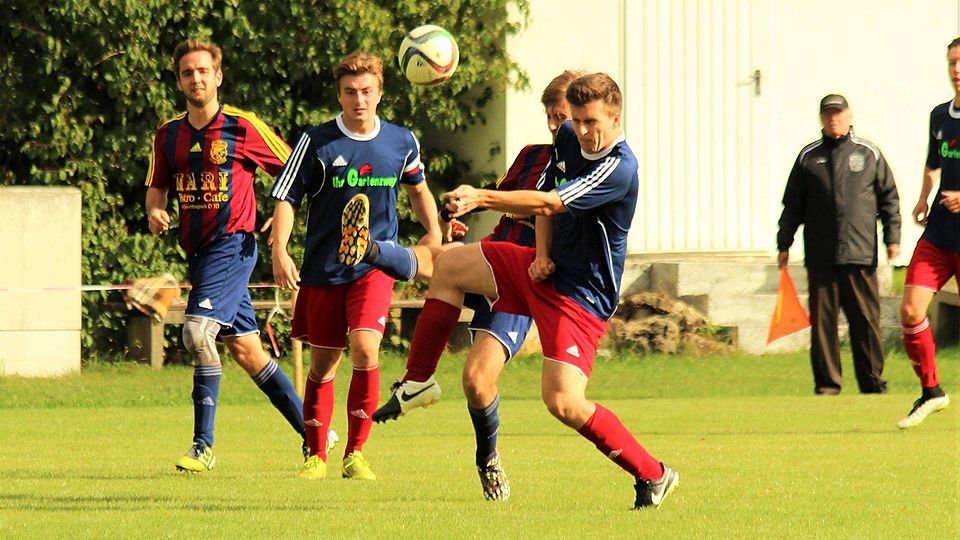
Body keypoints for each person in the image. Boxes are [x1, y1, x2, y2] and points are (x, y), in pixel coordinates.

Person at [373, 73, 679, 510]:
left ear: (615, 117)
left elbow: (552, 203)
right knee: (449, 265)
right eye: (574, 120)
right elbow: (548, 198)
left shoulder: (620, 167)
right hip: (540, 272)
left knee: (564, 403)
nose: (582, 131)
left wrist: (481, 197)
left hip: (579, 297)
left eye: (591, 121)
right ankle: (418, 380)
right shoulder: (571, 139)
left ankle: (654, 473)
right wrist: (540, 254)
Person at [365, 70, 580, 501]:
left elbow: (547, 211)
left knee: (477, 379)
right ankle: (372, 255)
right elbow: (498, 200)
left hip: (525, 280)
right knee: (444, 260)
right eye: (551, 118)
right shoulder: (533, 156)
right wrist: (456, 211)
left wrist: (493, 202)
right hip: (493, 257)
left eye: (563, 118)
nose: (557, 127)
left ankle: (486, 456)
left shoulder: (588, 168)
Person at [270, 50, 444, 480]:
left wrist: (434, 233)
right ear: (340, 94)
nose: (358, 99)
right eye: (350, 92)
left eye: (366, 91)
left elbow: (418, 189)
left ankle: (356, 452)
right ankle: (315, 455)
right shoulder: (317, 141)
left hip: (373, 265)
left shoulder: (401, 141)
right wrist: (279, 250)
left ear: (380, 92)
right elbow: (286, 197)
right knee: (324, 364)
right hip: (323, 270)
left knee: (366, 349)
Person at [145, 38, 310, 472]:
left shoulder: (243, 126)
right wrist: (156, 210)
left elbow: (295, 169)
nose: (195, 78)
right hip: (198, 254)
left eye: (203, 70)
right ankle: (315, 433)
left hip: (234, 245)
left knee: (197, 334)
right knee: (248, 352)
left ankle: (203, 446)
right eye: (187, 72)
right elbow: (157, 185)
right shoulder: (169, 134)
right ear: (179, 80)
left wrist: (281, 217)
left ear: (218, 76)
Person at [776, 94, 901, 396]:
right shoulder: (809, 157)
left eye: (838, 113)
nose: (833, 119)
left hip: (860, 254)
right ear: (821, 118)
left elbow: (889, 199)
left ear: (848, 116)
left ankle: (872, 383)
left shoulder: (868, 153)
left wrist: (892, 239)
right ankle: (828, 385)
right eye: (828, 114)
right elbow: (793, 205)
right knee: (823, 327)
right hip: (821, 255)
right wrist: (784, 242)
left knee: (866, 323)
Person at [895, 37, 960, 429]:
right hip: (938, 232)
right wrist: (923, 198)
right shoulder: (939, 115)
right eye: (952, 62)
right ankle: (932, 390)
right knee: (910, 310)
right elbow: (933, 163)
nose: (957, 69)